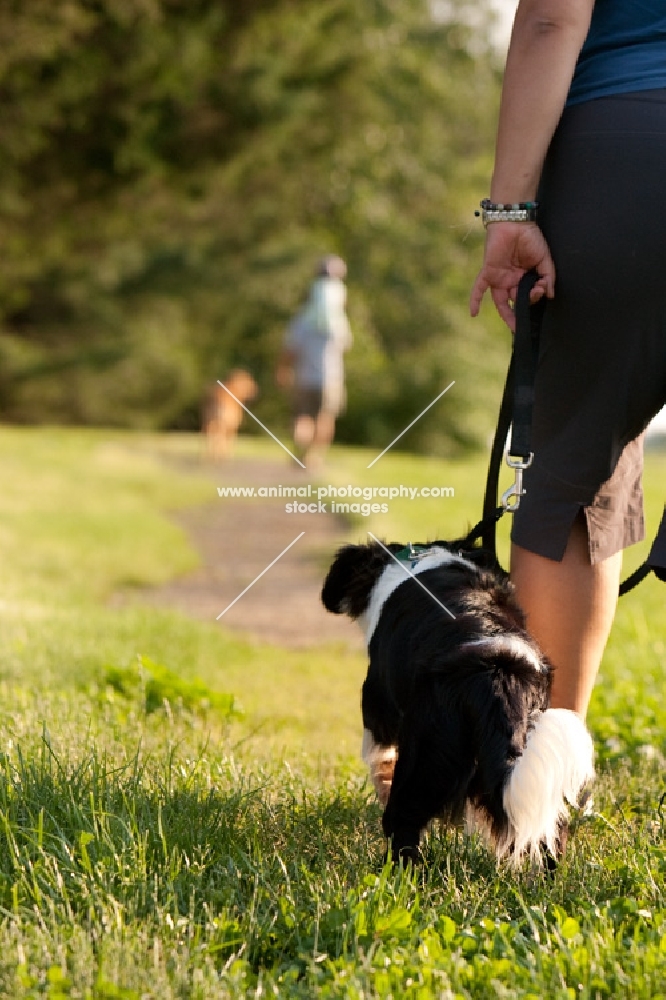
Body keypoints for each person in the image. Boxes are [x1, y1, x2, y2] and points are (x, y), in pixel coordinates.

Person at [470, 1, 666, 719]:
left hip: (622, 153)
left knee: (577, 473)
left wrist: (511, 213)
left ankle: (541, 775)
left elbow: (553, 20)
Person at [277, 255, 352, 468]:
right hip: (331, 378)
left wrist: (283, 370)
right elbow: (345, 346)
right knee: (325, 418)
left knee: (303, 417)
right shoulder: (338, 321)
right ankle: (314, 457)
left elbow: (290, 349)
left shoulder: (302, 320)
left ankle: (301, 452)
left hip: (304, 377)